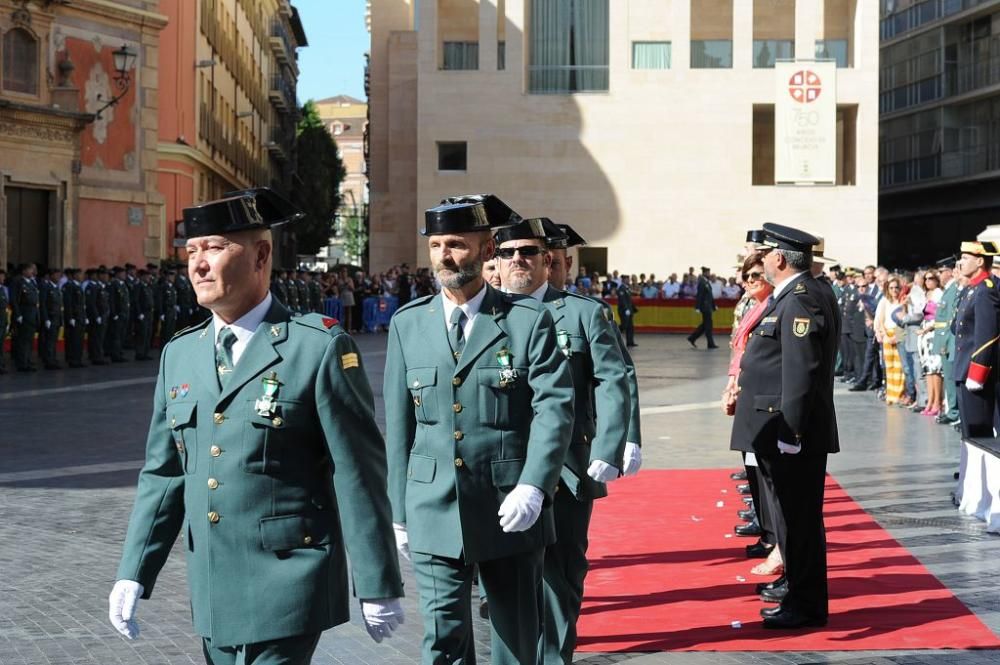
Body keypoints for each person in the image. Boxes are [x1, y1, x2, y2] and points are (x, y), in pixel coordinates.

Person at [108, 188, 404, 663]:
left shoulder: (317, 347)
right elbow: (165, 475)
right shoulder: (180, 354)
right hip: (212, 585)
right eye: (191, 252)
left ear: (261, 254)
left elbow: (358, 471)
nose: (198, 265)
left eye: (214, 248)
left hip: (290, 578)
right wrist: (134, 570)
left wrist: (376, 581)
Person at [383, 194, 574, 665]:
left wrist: (534, 485)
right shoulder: (408, 325)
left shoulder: (528, 322)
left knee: (514, 638)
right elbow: (398, 422)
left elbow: (555, 407)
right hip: (432, 505)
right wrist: (398, 510)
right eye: (436, 245)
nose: (444, 256)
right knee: (442, 640)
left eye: (457, 245)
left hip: (509, 504)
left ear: (488, 249)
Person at [496, 217, 629, 664]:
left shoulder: (582, 312)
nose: (518, 261)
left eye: (528, 253)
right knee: (504, 578)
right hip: (500, 468)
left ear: (547, 259)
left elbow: (614, 379)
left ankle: (554, 657)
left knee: (561, 573)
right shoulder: (486, 314)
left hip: (567, 468)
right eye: (508, 253)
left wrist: (611, 447)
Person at [730, 223, 839, 629]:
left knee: (799, 521)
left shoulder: (799, 300)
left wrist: (791, 430)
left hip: (790, 430)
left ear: (778, 258)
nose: (762, 260)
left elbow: (801, 371)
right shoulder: (791, 296)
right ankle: (797, 590)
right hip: (779, 427)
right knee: (793, 518)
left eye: (767, 254)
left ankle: (806, 604)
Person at [548, 222, 642, 477]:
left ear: (568, 264)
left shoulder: (590, 312)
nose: (544, 272)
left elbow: (620, 374)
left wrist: (628, 435)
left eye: (553, 264)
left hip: (577, 444)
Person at [723, 250, 784, 579]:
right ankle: (769, 534)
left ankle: (776, 541)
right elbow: (739, 350)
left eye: (754, 277)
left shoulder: (775, 306)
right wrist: (732, 383)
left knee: (769, 477)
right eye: (745, 277)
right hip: (749, 395)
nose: (747, 282)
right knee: (756, 469)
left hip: (766, 402)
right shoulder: (753, 307)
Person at [952, 240, 1000, 439]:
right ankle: (968, 469)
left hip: (974, 372)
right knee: (968, 429)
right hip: (963, 368)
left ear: (980, 261)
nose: (960, 263)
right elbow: (957, 326)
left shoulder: (985, 289)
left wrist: (977, 373)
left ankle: (981, 470)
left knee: (978, 430)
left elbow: (987, 335)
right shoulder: (971, 289)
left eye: (965, 258)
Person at [932, 259, 962, 425]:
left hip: (947, 340)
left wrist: (946, 343)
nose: (939, 275)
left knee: (951, 378)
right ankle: (952, 410)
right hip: (943, 339)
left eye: (942, 271)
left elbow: (952, 319)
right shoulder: (949, 289)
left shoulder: (953, 290)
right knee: (949, 378)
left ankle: (954, 412)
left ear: (950, 271)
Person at [875, 277, 906, 405]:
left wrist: (896, 337)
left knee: (899, 366)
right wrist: (883, 334)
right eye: (891, 288)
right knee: (889, 366)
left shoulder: (903, 301)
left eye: (896, 288)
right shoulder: (884, 301)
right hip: (887, 333)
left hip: (899, 333)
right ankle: (891, 394)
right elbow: (880, 319)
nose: (894, 290)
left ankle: (899, 393)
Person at [10, 263, 41, 372]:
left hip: (32, 315)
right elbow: (14, 299)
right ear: (23, 271)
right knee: (22, 340)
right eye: (29, 270)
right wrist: (18, 314)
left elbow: (35, 301)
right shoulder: (18, 282)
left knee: (29, 340)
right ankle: (22, 363)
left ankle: (27, 361)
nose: (32, 272)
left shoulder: (32, 283)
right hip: (24, 314)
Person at [39, 268, 64, 370]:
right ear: (51, 276)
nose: (58, 277)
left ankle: (52, 359)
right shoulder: (46, 287)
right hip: (50, 317)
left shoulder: (56, 288)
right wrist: (46, 319)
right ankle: (49, 361)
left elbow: (59, 305)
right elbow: (43, 304)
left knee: (53, 340)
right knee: (49, 341)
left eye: (59, 275)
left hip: (56, 318)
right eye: (57, 275)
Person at [687, 266, 718, 349]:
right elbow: (699, 295)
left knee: (705, 325)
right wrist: (697, 307)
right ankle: (710, 343)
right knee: (708, 325)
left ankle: (692, 338)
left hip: (708, 306)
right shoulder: (702, 282)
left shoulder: (706, 282)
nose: (709, 274)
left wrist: (713, 305)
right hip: (705, 307)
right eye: (707, 272)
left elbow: (710, 296)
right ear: (704, 273)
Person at [62, 268, 87, 368]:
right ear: (75, 275)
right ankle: (73, 359)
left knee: (79, 340)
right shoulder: (69, 286)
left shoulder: (78, 286)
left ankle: (78, 359)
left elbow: (82, 304)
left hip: (80, 316)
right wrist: (71, 317)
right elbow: (68, 303)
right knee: (74, 340)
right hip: (74, 317)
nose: (82, 276)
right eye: (80, 274)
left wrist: (84, 316)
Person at [107, 266, 131, 363]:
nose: (124, 275)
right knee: (116, 336)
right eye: (122, 273)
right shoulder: (113, 285)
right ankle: (115, 355)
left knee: (121, 335)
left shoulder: (123, 285)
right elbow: (112, 300)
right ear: (117, 274)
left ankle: (119, 353)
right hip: (118, 315)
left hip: (124, 314)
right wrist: (114, 314)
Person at [86, 268, 110, 365]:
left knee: (100, 337)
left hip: (103, 316)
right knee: (96, 338)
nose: (106, 277)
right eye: (104, 275)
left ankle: (98, 355)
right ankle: (96, 357)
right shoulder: (92, 287)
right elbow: (92, 304)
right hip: (97, 317)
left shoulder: (101, 287)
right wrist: (96, 316)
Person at [134, 269, 156, 361]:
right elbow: (136, 301)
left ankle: (145, 353)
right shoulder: (138, 287)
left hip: (149, 313)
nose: (148, 278)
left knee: (148, 334)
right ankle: (140, 353)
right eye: (147, 276)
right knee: (142, 334)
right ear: (142, 277)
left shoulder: (148, 287)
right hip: (143, 313)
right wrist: (139, 313)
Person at [617, 275, 637, 347]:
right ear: (624, 280)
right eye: (627, 279)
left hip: (629, 310)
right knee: (624, 326)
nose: (629, 280)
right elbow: (623, 300)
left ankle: (630, 342)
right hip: (624, 310)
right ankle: (614, 332)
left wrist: (633, 308)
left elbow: (629, 300)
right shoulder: (621, 288)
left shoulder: (627, 288)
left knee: (630, 327)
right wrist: (626, 309)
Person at [0, 269, 8, 374]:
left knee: (1, 343)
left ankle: (1, 364)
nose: (3, 278)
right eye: (1, 276)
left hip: (2, 320)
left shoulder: (2, 289)